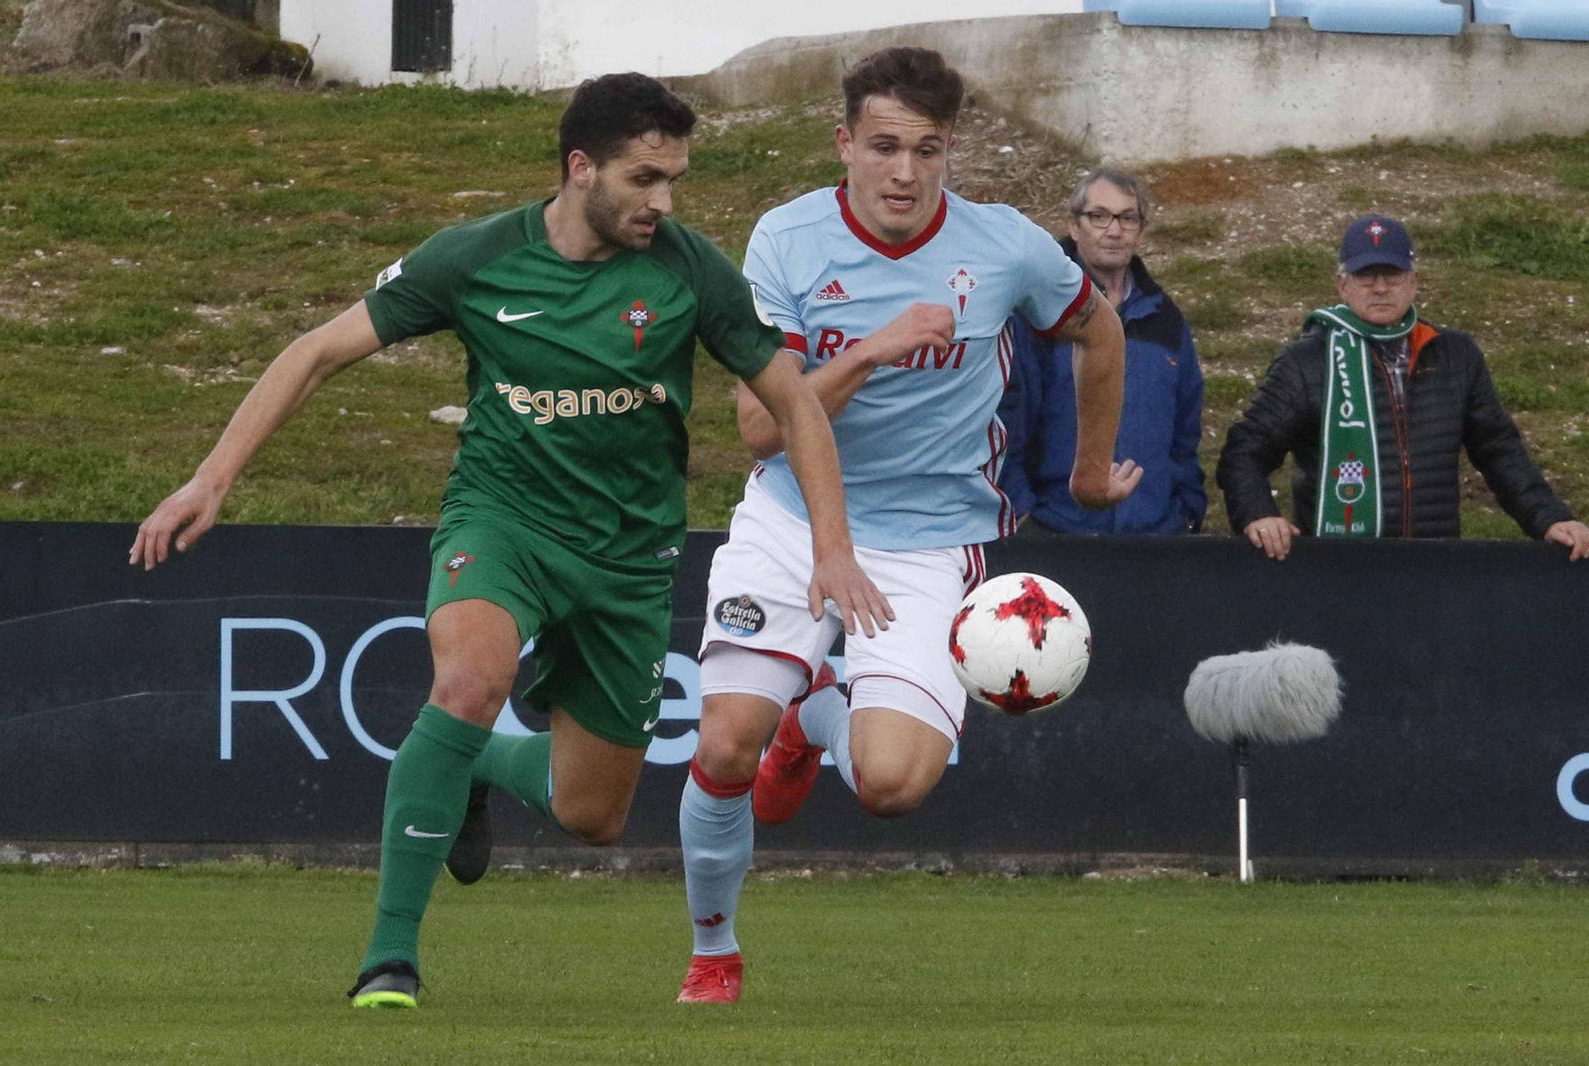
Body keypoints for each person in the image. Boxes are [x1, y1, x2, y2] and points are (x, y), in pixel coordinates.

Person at [128, 72, 889, 1010]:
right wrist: (211, 478)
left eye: (674, 181)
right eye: (645, 178)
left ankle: (479, 763)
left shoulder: (690, 270)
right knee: (467, 682)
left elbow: (795, 407)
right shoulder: (477, 257)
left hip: (627, 561)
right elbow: (315, 351)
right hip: (501, 524)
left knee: (592, 815)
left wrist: (832, 548)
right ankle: (389, 960)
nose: (663, 201)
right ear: (581, 167)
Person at [673, 46, 1138, 1005]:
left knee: (891, 787)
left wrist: (1090, 471)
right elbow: (760, 426)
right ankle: (713, 953)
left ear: (949, 150)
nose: (904, 172)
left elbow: (1100, 327)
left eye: (927, 150)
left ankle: (815, 717)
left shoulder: (1003, 245)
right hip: (793, 519)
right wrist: (874, 350)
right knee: (722, 746)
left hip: (928, 541)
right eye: (884, 146)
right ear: (844, 143)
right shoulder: (787, 238)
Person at [1216, 214, 1589, 561]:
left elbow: (1498, 449)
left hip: (1434, 562)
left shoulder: (1456, 354)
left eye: (1392, 275)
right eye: (1365, 276)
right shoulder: (1306, 361)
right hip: (1334, 566)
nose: (1380, 288)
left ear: (1414, 282)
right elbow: (1245, 451)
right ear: (1342, 285)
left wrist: (1549, 517)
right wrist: (1258, 514)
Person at [1000, 168, 1206, 535]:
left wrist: (1189, 510)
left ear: (1141, 230)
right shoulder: (1039, 313)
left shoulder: (1166, 320)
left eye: (1127, 218)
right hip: (1057, 531)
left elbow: (1186, 434)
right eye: (1099, 216)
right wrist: (1022, 514)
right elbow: (1008, 420)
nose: (1114, 230)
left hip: (1156, 537)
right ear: (1074, 225)